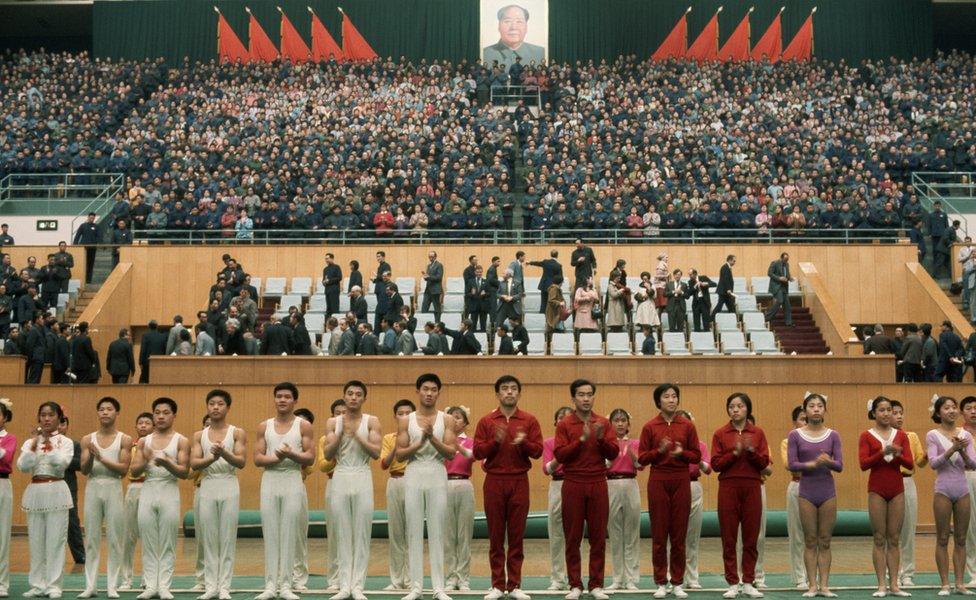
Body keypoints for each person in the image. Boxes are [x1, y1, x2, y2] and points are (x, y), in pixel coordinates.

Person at [473, 376, 543, 600]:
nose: (509, 392)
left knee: (516, 536)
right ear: (497, 394)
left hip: (519, 480)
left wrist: (524, 443)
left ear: (519, 394)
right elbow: (477, 453)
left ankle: (514, 585)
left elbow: (538, 452)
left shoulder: (529, 420)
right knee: (495, 536)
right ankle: (496, 585)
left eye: (513, 389)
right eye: (505, 389)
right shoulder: (487, 421)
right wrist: (495, 441)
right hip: (494, 480)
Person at [554, 379, 617, 600]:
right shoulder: (565, 424)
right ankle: (575, 585)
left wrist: (600, 439)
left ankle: (596, 584)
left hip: (598, 481)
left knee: (598, 536)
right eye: (581, 395)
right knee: (573, 536)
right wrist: (581, 440)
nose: (586, 398)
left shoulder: (602, 422)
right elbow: (560, 455)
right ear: (573, 398)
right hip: (573, 482)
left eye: (590, 394)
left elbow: (613, 454)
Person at [396, 373, 457, 600]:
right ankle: (416, 587)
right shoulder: (406, 420)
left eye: (433, 389)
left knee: (437, 529)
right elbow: (400, 455)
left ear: (438, 393)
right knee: (413, 528)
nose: (429, 393)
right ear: (418, 391)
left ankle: (439, 587)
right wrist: (420, 441)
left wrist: (432, 439)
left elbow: (451, 453)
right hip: (414, 471)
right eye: (425, 389)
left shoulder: (447, 419)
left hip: (436, 471)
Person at [637, 384, 701, 599]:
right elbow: (642, 459)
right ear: (659, 401)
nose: (672, 400)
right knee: (659, 534)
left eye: (675, 396)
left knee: (679, 534)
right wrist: (660, 451)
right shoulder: (650, 426)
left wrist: (682, 453)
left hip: (681, 478)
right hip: (658, 478)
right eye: (667, 397)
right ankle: (661, 582)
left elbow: (697, 456)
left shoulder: (687, 426)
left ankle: (677, 582)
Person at [321, 381, 381, 600]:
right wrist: (340, 434)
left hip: (362, 473)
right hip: (341, 474)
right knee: (342, 531)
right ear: (344, 397)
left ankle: (357, 585)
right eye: (350, 394)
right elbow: (328, 455)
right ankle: (344, 585)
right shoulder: (332, 422)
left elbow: (376, 453)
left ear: (364, 398)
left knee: (361, 531)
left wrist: (357, 435)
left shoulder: (372, 421)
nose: (354, 397)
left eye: (358, 394)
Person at [253, 382, 314, 600]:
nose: (282, 400)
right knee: (270, 532)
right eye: (279, 396)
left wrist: (291, 456)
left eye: (287, 397)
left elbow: (310, 457)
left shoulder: (303, 426)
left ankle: (287, 585)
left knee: (289, 533)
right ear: (274, 399)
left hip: (292, 479)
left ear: (295, 401)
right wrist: (276, 457)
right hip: (270, 479)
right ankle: (270, 585)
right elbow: (258, 458)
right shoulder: (264, 426)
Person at [711, 393, 770, 599]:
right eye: (732, 406)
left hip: (752, 485)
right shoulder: (720, 433)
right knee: (729, 537)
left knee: (751, 537)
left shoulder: (757, 433)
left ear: (748, 409)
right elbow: (716, 465)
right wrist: (734, 453)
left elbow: (764, 464)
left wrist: (751, 451)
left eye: (740, 406)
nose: (735, 410)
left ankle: (748, 581)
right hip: (728, 486)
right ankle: (732, 582)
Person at [130, 398, 190, 600]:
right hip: (149, 488)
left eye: (166, 412)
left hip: (169, 489)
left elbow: (183, 472)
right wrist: (146, 458)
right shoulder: (144, 441)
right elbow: (134, 470)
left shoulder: (181, 440)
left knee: (167, 540)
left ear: (174, 415)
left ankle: (164, 585)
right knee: (148, 539)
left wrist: (166, 462)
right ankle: (149, 585)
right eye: (157, 412)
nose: (161, 416)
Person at [190, 390, 246, 600]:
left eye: (220, 404)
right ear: (207, 407)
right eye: (211, 403)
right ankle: (210, 585)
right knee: (209, 536)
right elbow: (194, 463)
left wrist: (224, 454)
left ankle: (224, 586)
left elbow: (241, 462)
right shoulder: (199, 435)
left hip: (228, 483)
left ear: (227, 408)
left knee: (226, 536)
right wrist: (212, 459)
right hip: (208, 484)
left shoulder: (236, 433)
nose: (215, 407)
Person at [787, 392, 843, 598]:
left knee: (825, 539)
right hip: (807, 491)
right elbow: (792, 464)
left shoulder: (833, 435)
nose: (816, 409)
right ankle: (812, 585)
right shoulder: (795, 435)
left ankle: (825, 585)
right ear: (805, 410)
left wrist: (827, 462)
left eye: (820, 405)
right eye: (812, 406)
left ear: (825, 410)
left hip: (827, 490)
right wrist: (810, 464)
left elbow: (840, 465)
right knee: (810, 540)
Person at [17, 402, 74, 599]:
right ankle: (37, 584)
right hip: (36, 490)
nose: (47, 419)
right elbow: (23, 466)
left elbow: (61, 464)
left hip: (57, 489)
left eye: (51, 415)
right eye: (43, 415)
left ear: (59, 418)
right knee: (36, 540)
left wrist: (49, 444)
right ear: (39, 418)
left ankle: (53, 585)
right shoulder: (30, 442)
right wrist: (35, 443)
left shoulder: (65, 442)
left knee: (56, 541)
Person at [79, 397, 133, 599]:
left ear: (117, 413)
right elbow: (84, 470)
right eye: (101, 409)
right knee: (91, 537)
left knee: (114, 538)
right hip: (93, 486)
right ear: (97, 413)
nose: (105, 412)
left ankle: (112, 585)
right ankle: (90, 585)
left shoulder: (125, 439)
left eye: (109, 409)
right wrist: (92, 456)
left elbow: (123, 470)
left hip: (113, 486)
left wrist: (100, 456)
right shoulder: (87, 439)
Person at [859, 396, 913, 597]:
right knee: (879, 537)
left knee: (894, 537)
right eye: (881, 410)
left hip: (897, 488)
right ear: (873, 413)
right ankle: (881, 584)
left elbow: (910, 464)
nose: (886, 413)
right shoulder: (866, 435)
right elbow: (863, 464)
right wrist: (882, 453)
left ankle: (895, 585)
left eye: (889, 409)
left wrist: (897, 454)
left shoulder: (901, 435)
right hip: (877, 489)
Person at [928, 395, 976, 595]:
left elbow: (973, 464)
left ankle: (959, 582)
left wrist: (963, 451)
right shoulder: (933, 434)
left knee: (961, 538)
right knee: (942, 538)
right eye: (946, 408)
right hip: (943, 490)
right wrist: (951, 450)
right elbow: (933, 463)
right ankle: (945, 583)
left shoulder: (965, 434)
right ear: (939, 413)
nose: (951, 411)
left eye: (954, 407)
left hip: (962, 488)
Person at [605, 409, 641, 591]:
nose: (620, 424)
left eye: (623, 420)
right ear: (610, 424)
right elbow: (602, 465)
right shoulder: (605, 444)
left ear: (628, 424)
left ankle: (631, 578)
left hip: (630, 483)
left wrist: (632, 453)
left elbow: (640, 465)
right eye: (616, 420)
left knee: (632, 532)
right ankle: (617, 578)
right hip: (611, 483)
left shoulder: (635, 443)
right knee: (615, 533)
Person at [891, 401, 925, 588]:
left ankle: (908, 573)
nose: (899, 416)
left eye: (900, 413)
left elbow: (919, 462)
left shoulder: (911, 436)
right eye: (895, 412)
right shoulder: (885, 437)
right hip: (890, 480)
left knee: (908, 529)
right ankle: (892, 571)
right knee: (891, 530)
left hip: (907, 481)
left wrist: (928, 456)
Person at [381, 400, 415, 591]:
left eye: (407, 413)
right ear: (395, 416)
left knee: (412, 531)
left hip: (413, 480)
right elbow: (384, 464)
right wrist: (396, 446)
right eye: (400, 413)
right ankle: (396, 580)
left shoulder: (418, 436)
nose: (403, 416)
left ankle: (411, 579)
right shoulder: (388, 437)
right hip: (395, 481)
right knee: (396, 533)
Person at [120, 413, 154, 590]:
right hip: (134, 488)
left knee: (149, 535)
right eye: (140, 422)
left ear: (154, 426)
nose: (143, 426)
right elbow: (129, 471)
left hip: (151, 487)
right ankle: (126, 578)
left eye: (147, 423)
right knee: (129, 535)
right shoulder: (131, 447)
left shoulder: (157, 446)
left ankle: (147, 578)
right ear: (136, 426)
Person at [443, 406, 475, 592]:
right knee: (448, 535)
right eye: (451, 417)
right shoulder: (441, 441)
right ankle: (449, 577)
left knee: (464, 535)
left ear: (465, 422)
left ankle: (463, 579)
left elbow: (472, 457)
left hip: (463, 484)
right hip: (444, 484)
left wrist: (457, 445)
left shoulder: (470, 442)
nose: (455, 421)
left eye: (458, 417)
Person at [542, 406, 573, 591]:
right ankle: (557, 578)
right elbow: (546, 469)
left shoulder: (580, 441)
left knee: (574, 534)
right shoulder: (549, 442)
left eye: (568, 418)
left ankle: (574, 577)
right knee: (556, 534)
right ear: (556, 422)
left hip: (575, 482)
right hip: (557, 484)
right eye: (560, 417)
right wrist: (560, 457)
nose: (564, 420)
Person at [680, 410, 711, 590]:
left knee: (692, 536)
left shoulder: (700, 445)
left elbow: (708, 469)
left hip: (693, 485)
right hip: (676, 485)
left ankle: (692, 577)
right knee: (675, 534)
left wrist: (697, 460)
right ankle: (673, 574)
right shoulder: (672, 447)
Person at [781, 406, 809, 590]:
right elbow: (791, 466)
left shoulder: (824, 437)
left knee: (815, 535)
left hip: (819, 486)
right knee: (797, 534)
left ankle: (816, 574)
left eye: (807, 419)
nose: (805, 423)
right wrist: (814, 462)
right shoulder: (788, 441)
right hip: (798, 486)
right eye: (801, 419)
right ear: (794, 423)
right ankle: (800, 576)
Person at [60, 417, 85, 565]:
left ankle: (80, 555)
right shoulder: (46, 444)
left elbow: (80, 464)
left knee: (72, 522)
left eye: (64, 424)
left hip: (69, 487)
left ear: (67, 426)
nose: (61, 427)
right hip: (49, 487)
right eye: (60, 423)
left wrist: (62, 458)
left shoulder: (73, 444)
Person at [0, 398, 14, 598]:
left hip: (2, 483)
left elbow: (5, 456)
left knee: (2, 535)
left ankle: (2, 582)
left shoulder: (9, 437)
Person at [764, 253, 794, 326]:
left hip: (784, 287)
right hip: (777, 286)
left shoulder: (787, 264)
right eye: (785, 259)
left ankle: (788, 322)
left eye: (787, 260)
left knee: (787, 304)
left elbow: (787, 274)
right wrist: (779, 278)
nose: (786, 261)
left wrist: (790, 278)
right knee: (780, 300)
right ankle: (767, 317)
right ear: (781, 258)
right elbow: (769, 273)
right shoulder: (775, 263)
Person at [73, 214, 100, 282]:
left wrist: (98, 243)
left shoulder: (96, 226)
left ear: (94, 218)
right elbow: (77, 235)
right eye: (90, 217)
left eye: (93, 218)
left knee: (90, 264)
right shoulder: (83, 225)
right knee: (83, 264)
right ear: (88, 217)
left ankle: (88, 281)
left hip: (92, 248)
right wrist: (75, 244)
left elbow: (99, 236)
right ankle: (82, 279)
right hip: (83, 248)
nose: (92, 219)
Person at [422, 251, 444, 323]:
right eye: (429, 257)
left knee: (437, 309)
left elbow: (439, 277)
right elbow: (428, 277)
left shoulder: (439, 265)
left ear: (435, 257)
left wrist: (429, 277)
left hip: (435, 290)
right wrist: (425, 277)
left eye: (432, 256)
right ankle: (425, 323)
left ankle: (437, 323)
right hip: (428, 290)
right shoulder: (429, 266)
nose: (430, 258)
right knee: (424, 308)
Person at [322, 254, 343, 319]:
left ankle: (336, 324)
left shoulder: (337, 267)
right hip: (327, 291)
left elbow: (339, 277)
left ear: (332, 259)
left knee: (335, 309)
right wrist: (323, 282)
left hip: (334, 290)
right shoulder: (325, 269)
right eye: (325, 259)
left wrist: (329, 281)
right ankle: (328, 325)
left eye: (327, 258)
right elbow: (324, 279)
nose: (326, 260)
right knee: (328, 309)